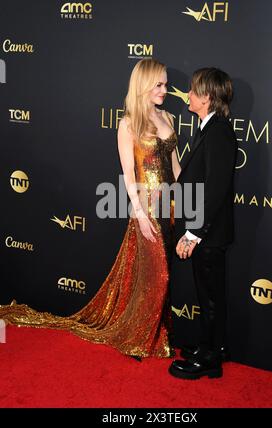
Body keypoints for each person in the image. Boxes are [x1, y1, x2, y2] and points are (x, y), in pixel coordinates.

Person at [0, 59, 181, 359]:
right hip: (147, 210)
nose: (165, 89)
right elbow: (129, 175)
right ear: (144, 84)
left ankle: (157, 336)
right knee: (157, 276)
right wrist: (139, 214)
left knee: (165, 276)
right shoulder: (128, 124)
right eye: (159, 84)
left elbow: (175, 168)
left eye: (165, 84)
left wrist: (194, 201)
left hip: (172, 206)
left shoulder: (169, 118)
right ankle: (138, 338)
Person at [169, 68, 237, 379]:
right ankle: (211, 347)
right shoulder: (209, 128)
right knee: (207, 294)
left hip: (208, 233)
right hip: (207, 231)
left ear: (207, 98)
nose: (189, 95)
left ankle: (210, 357)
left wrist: (194, 233)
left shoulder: (219, 131)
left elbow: (215, 188)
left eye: (193, 91)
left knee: (210, 297)